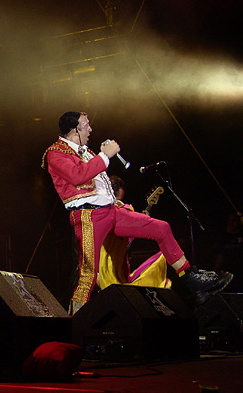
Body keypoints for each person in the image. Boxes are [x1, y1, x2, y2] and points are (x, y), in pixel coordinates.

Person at [42, 111, 232, 314]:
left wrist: (115, 201)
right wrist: (105, 155)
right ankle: (77, 320)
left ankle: (192, 281)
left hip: (110, 211)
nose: (91, 129)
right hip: (88, 216)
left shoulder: (84, 150)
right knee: (88, 272)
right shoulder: (56, 153)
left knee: (161, 228)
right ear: (74, 130)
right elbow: (78, 176)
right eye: (86, 125)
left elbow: (98, 184)